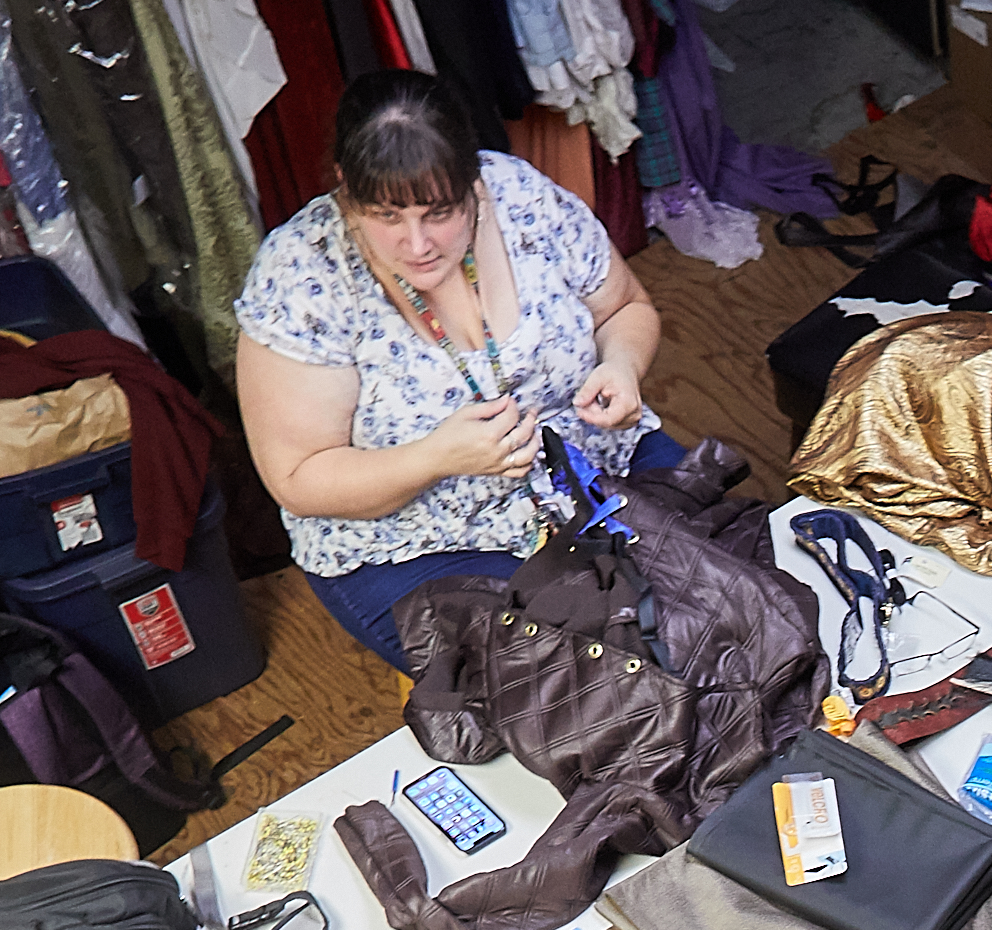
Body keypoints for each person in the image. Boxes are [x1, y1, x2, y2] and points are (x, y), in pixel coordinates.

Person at [234, 70, 677, 670]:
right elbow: (298, 478)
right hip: (419, 543)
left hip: (592, 470)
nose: (418, 244)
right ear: (344, 188)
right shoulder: (302, 274)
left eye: (438, 212)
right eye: (386, 215)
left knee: (739, 605)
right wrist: (435, 457)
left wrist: (622, 365)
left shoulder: (518, 195)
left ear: (473, 183)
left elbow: (624, 309)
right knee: (591, 686)